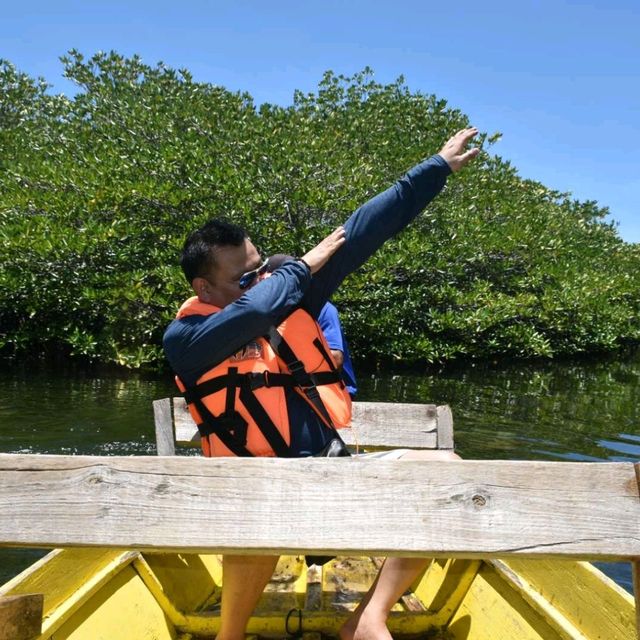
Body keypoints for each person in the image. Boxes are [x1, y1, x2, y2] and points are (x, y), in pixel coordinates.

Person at [163, 127, 479, 640]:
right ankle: (230, 635)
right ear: (203, 288)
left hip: (328, 477)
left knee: (445, 470)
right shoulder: (186, 338)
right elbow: (263, 304)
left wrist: (434, 169)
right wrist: (302, 268)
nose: (264, 281)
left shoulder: (289, 304)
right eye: (246, 278)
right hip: (248, 491)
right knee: (252, 511)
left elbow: (360, 234)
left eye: (263, 268)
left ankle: (368, 617)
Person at [267, 253, 358, 397]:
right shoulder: (270, 311)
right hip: (297, 389)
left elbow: (335, 359)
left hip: (333, 393)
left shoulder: (324, 309)